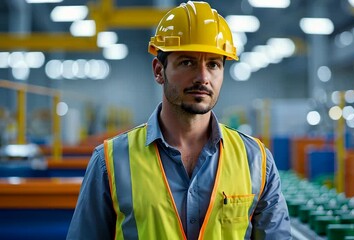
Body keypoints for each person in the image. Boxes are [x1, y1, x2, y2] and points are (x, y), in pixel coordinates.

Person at [66, 1, 292, 239]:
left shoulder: (256, 161)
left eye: (213, 64)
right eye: (187, 62)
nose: (203, 77)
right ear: (158, 71)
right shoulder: (110, 162)